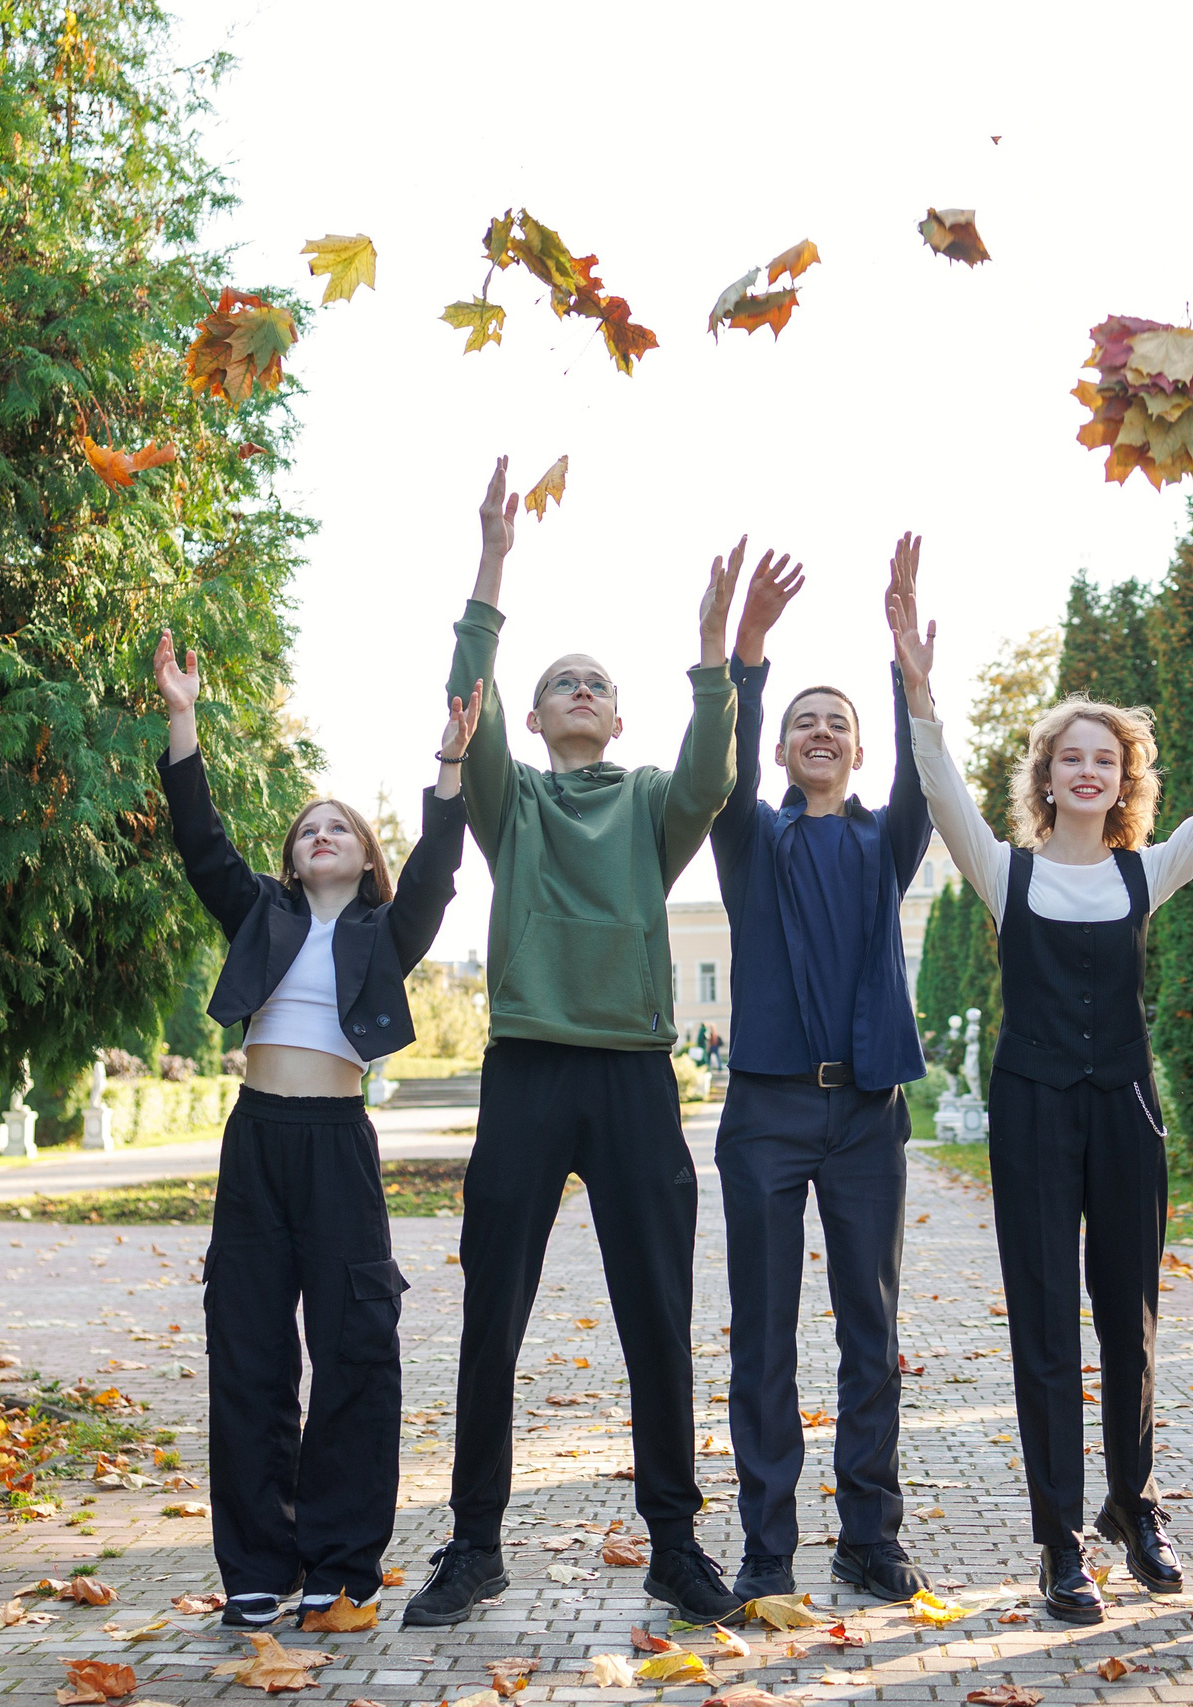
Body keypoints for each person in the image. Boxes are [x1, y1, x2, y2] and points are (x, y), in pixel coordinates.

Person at [891, 572, 1193, 1626]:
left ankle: (1134, 1505)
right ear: (1046, 776)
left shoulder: (1143, 872)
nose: (1085, 770)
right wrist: (919, 688)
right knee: (1041, 1330)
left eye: (1103, 759)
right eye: (1069, 756)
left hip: (1122, 1110)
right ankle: (1058, 1540)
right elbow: (938, 792)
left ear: (1123, 782)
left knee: (1132, 1322)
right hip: (1029, 1114)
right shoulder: (1002, 871)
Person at [406, 458, 750, 1629]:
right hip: (529, 1071)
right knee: (490, 1309)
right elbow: (469, 693)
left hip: (635, 1081)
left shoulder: (652, 800)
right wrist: (494, 566)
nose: (580, 690)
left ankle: (676, 1544)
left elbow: (713, 774)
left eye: (596, 681)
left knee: (656, 1310)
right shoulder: (513, 805)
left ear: (618, 711)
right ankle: (474, 1545)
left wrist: (710, 657)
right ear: (540, 715)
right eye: (562, 683)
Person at [151, 629, 478, 1630]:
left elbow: (436, 867)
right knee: (247, 1353)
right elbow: (201, 839)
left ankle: (341, 1562)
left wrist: (451, 761)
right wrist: (182, 716)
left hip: (338, 1145)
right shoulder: (259, 913)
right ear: (293, 859)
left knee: (356, 1350)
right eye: (308, 828)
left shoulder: (387, 930)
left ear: (364, 854)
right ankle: (256, 1566)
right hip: (256, 1141)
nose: (321, 832)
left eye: (340, 826)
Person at [708, 533, 935, 1604]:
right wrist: (749, 659)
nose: (818, 732)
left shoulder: (888, 841)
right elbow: (726, 764)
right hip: (764, 1113)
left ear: (855, 750)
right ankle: (765, 1546)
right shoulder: (751, 841)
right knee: (762, 1335)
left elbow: (927, 778)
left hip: (867, 1119)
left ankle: (869, 1536)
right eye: (804, 721)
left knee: (869, 1334)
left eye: (835, 723)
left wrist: (904, 667)